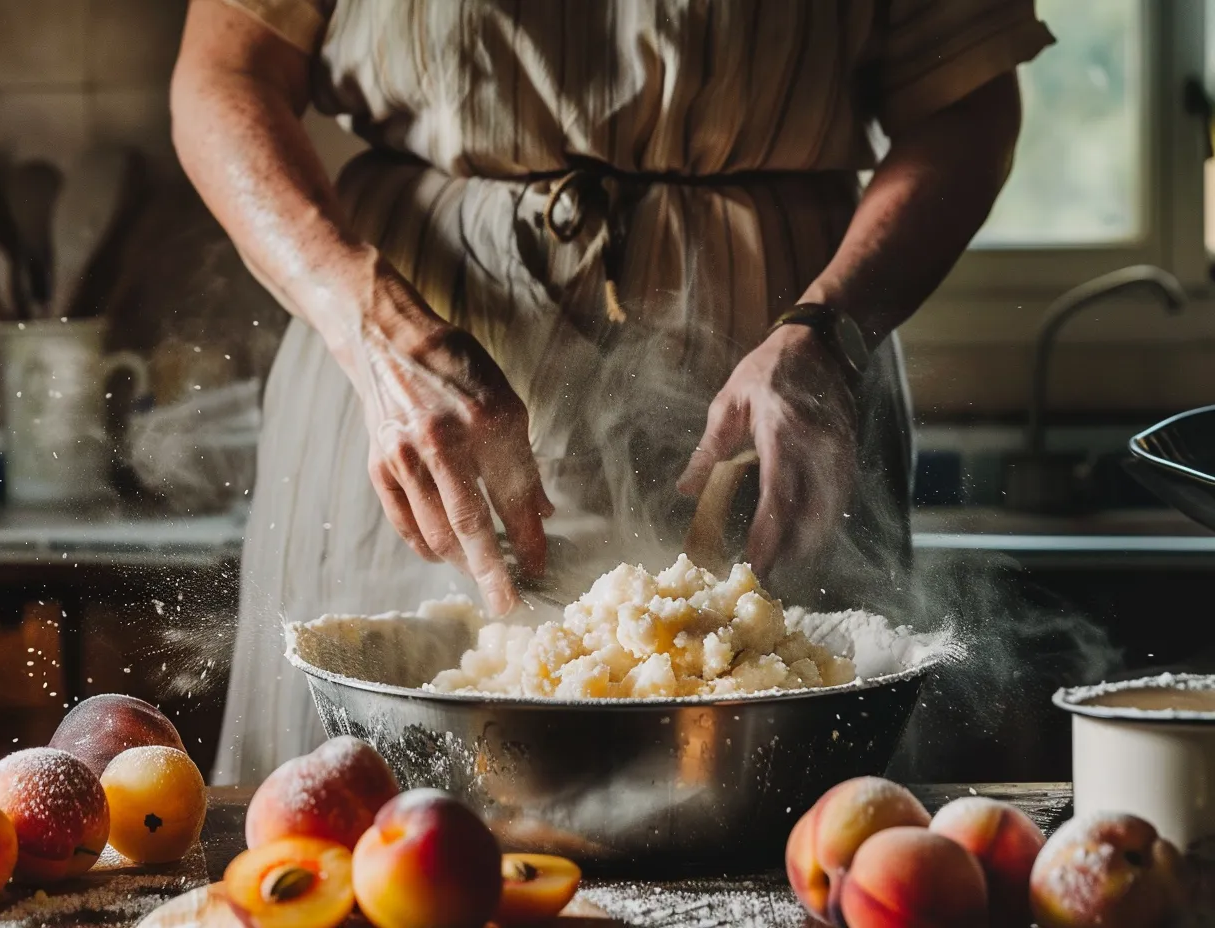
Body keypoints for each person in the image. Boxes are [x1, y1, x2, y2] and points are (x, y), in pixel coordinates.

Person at [171, 0, 1053, 784]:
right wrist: (368, 326)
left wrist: (829, 329)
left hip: (791, 363)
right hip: (402, 389)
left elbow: (969, 104)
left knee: (789, 806)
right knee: (370, 819)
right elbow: (222, 75)